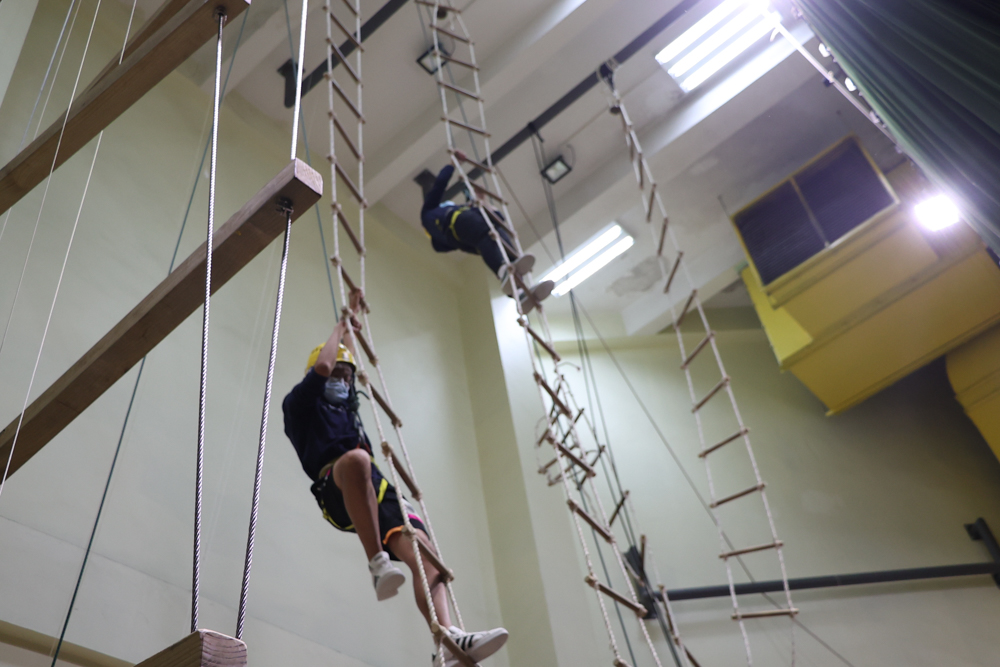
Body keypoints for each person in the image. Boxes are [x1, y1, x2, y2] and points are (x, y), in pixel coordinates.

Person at [282, 311, 508, 667]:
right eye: (338, 374)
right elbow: (324, 366)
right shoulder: (300, 406)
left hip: (375, 486)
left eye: (347, 376)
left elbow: (348, 363)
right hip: (335, 485)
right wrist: (338, 327)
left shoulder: (349, 410)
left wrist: (351, 322)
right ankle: (377, 562)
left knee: (425, 555)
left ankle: (448, 640)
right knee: (357, 460)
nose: (343, 380)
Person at [421, 150, 554, 312]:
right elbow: (439, 185)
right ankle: (504, 271)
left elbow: (497, 218)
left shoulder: (451, 233)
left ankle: (519, 292)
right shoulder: (429, 214)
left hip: (474, 231)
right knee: (487, 235)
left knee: (500, 239)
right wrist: (452, 164)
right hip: (462, 224)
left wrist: (481, 200)